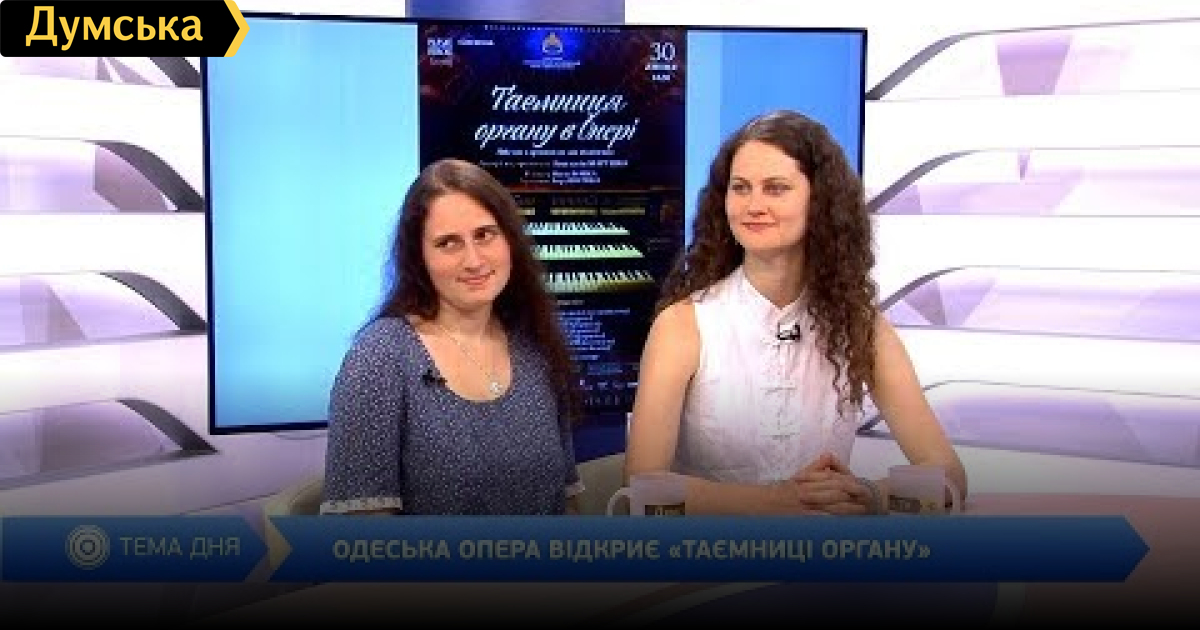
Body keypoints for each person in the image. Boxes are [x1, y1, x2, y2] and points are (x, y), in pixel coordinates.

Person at [624, 111, 967, 515]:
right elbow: (642, 487)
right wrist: (775, 502)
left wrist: (868, 495)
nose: (753, 206)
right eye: (740, 188)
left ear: (819, 202)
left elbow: (949, 475)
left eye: (775, 189)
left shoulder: (861, 326)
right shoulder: (682, 325)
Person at [320, 158, 585, 515]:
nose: (474, 261)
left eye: (484, 235)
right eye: (448, 243)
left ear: (510, 240)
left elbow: (566, 502)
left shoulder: (536, 345)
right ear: (419, 258)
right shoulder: (380, 356)